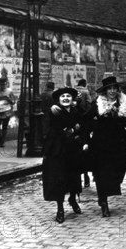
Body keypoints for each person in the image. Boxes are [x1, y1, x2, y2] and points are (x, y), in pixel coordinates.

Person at [88, 76, 126, 216]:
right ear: (105, 91)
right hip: (101, 144)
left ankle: (106, 194)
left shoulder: (124, 102)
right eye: (109, 89)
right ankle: (103, 201)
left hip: (119, 143)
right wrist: (103, 118)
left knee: (119, 168)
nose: (112, 91)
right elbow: (89, 120)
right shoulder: (97, 104)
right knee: (102, 173)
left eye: (114, 88)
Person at [42, 87, 85, 224]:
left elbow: (82, 125)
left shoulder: (76, 111)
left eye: (68, 96)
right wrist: (69, 130)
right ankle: (60, 209)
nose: (65, 98)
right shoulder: (54, 111)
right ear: (58, 99)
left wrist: (78, 135)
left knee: (74, 176)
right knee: (59, 179)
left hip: (73, 149)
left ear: (72, 99)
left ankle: (72, 199)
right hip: (58, 150)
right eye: (62, 97)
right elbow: (50, 130)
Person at [0, 77, 16, 147]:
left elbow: (13, 101)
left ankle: (2, 141)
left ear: (6, 83)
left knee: (4, 126)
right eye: (1, 84)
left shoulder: (9, 91)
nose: (3, 86)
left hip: (6, 112)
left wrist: (9, 100)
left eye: (4, 84)